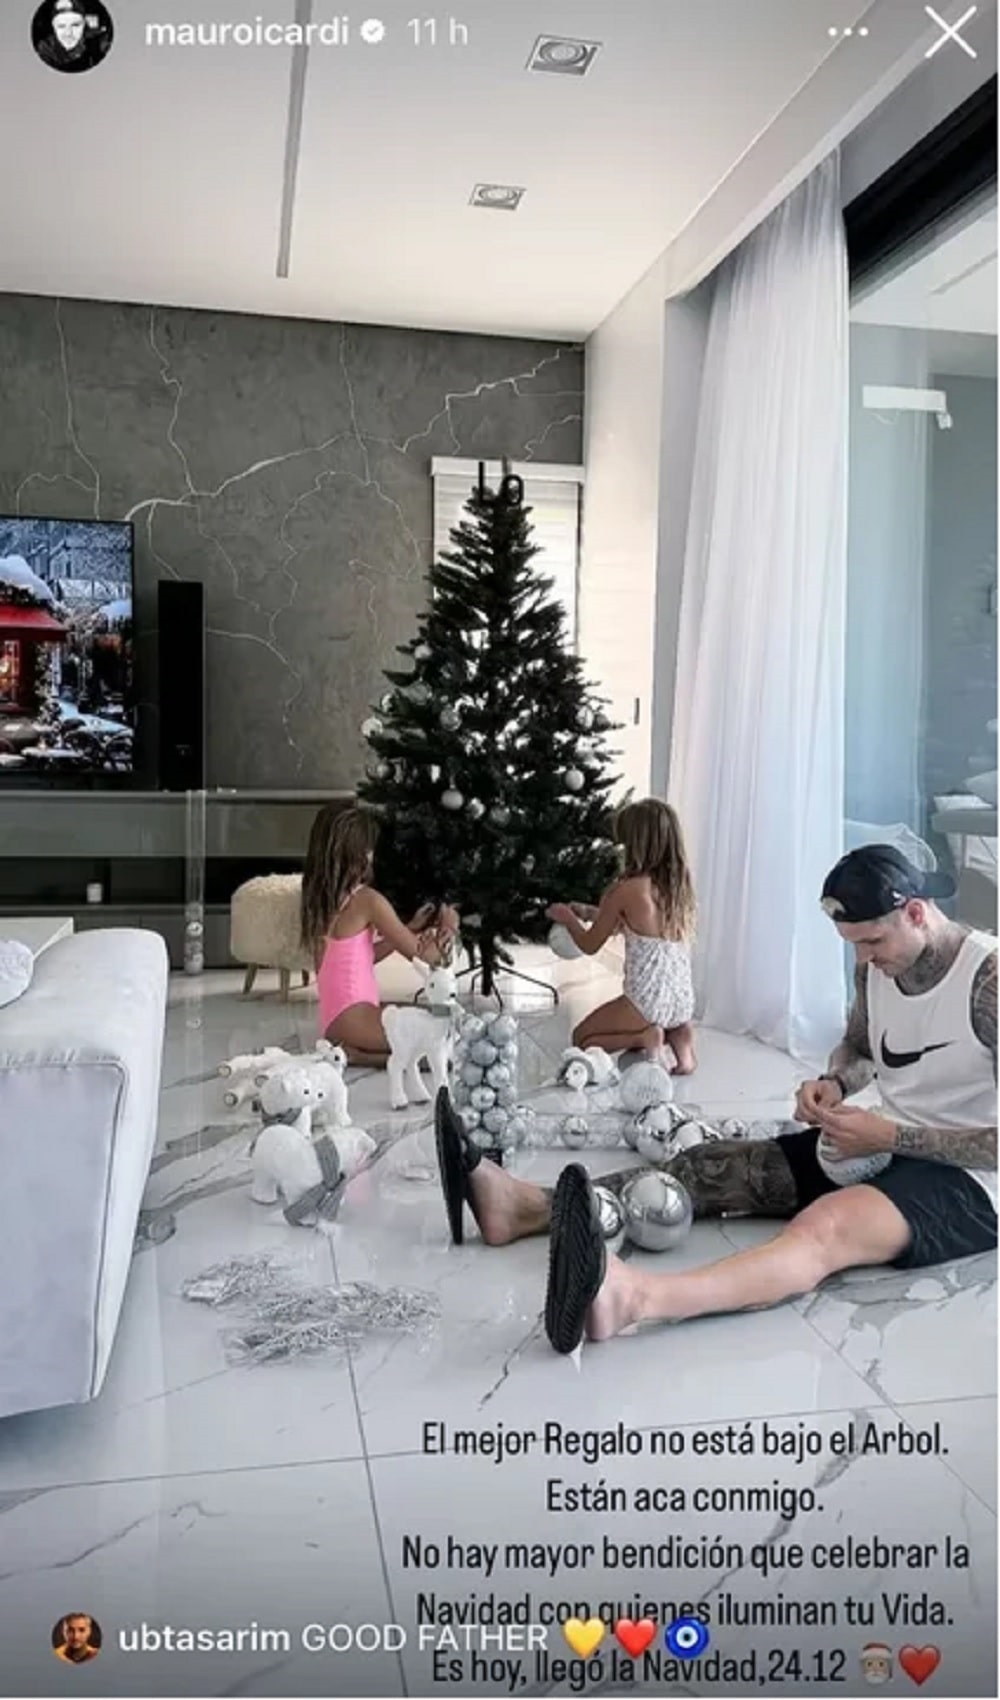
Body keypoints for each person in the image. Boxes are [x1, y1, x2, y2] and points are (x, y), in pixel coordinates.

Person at [435, 845, 996, 1354]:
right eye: (855, 946)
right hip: (881, 1141)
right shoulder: (875, 963)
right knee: (709, 1166)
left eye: (873, 943)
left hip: (975, 1182)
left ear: (916, 913)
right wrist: (836, 1083)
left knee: (826, 1227)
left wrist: (890, 1135)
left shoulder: (987, 981)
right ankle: (524, 1207)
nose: (866, 960)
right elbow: (860, 1045)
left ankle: (634, 1299)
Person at [545, 797, 697, 1074]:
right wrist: (589, 912)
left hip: (646, 1002)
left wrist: (568, 919)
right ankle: (681, 1042)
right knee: (672, 1020)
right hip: (682, 1000)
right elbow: (636, 927)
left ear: (635, 845)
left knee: (581, 1038)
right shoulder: (678, 889)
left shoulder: (625, 890)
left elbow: (590, 945)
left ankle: (645, 1037)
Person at [301, 803, 459, 1067]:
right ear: (360, 854)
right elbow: (430, 959)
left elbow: (360, 958)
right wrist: (449, 926)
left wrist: (408, 930)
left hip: (334, 1022)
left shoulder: (320, 904)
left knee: (425, 1021)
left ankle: (355, 1052)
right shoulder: (368, 900)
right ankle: (366, 1056)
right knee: (449, 1034)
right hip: (357, 1020)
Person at [33, 0, 113, 72]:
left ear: (84, 25)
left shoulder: (98, 47)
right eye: (61, 26)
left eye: (75, 25)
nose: (68, 33)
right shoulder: (45, 50)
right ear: (53, 26)